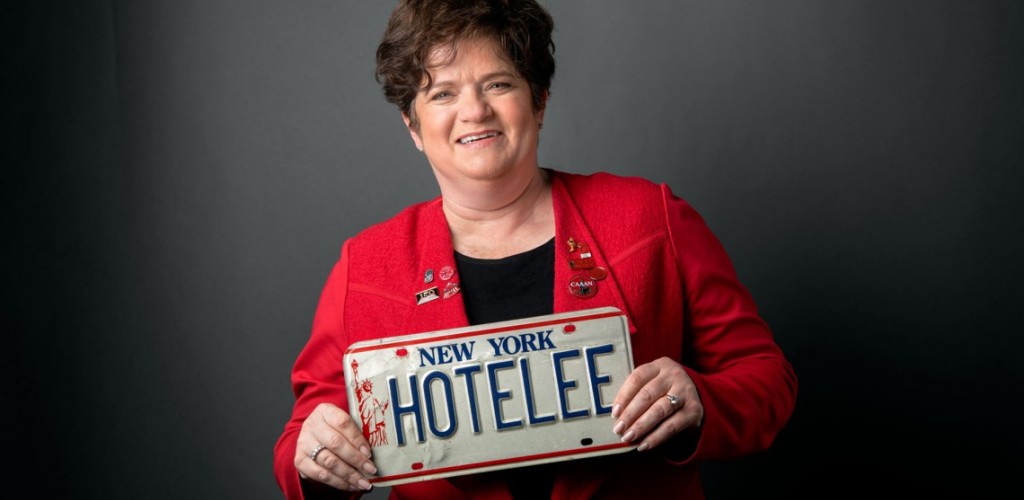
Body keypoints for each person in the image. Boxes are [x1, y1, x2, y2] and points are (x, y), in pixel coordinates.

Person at [273, 0, 798, 498]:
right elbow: (301, 443)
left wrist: (701, 400)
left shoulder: (651, 218)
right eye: (443, 93)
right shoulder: (365, 267)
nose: (474, 110)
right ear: (413, 125)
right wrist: (316, 455)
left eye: (498, 84)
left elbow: (766, 378)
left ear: (539, 101)